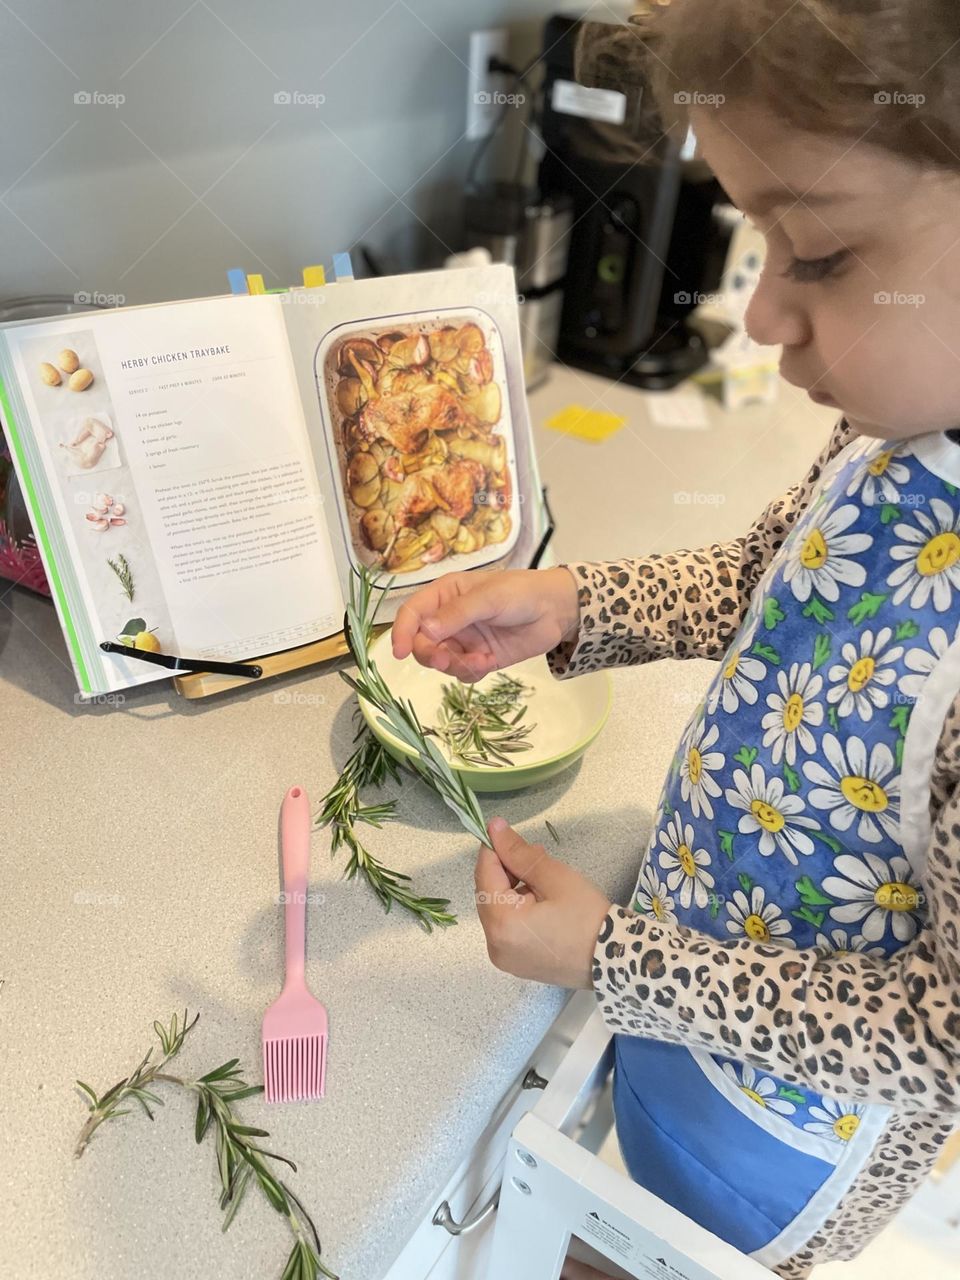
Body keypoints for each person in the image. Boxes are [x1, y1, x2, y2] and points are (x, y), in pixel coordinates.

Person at [391, 2, 960, 1275]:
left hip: (782, 1138)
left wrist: (612, 956)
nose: (759, 317)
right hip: (675, 978)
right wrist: (574, 602)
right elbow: (769, 573)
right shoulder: (900, 427)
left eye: (814, 253)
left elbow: (944, 1033)